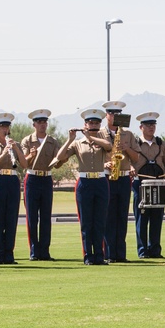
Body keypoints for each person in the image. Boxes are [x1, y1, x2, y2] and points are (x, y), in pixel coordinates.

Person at [52, 109, 112, 265]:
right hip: (84, 183)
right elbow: (59, 157)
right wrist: (69, 139)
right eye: (90, 123)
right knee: (86, 222)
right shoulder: (78, 144)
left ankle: (99, 255)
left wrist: (91, 136)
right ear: (85, 124)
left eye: (96, 123)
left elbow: (109, 146)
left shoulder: (102, 138)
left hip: (100, 181)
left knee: (99, 221)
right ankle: (88, 256)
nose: (93, 125)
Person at [131, 111, 165, 259]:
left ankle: (155, 249)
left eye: (153, 124)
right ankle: (143, 250)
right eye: (148, 125)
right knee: (142, 219)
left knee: (157, 219)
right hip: (141, 184)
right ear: (141, 127)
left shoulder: (161, 143)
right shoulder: (135, 143)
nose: (151, 127)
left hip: (159, 184)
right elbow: (129, 162)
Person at [99, 101, 139, 263]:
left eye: (118, 113)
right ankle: (108, 254)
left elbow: (136, 158)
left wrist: (127, 148)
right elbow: (91, 158)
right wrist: (104, 165)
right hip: (107, 177)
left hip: (123, 178)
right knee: (108, 217)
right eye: (112, 113)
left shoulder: (128, 134)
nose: (115, 116)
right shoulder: (100, 134)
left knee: (122, 217)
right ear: (106, 115)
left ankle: (120, 254)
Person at [0, 112, 27, 264]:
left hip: (12, 180)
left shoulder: (14, 144)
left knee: (11, 219)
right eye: (2, 126)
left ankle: (9, 254)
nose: (5, 129)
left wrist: (15, 149)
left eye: (7, 126)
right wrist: (3, 154)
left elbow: (24, 164)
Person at [20, 109, 60, 261]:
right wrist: (31, 155)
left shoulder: (52, 141)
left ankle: (45, 251)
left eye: (44, 122)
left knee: (45, 216)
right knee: (32, 217)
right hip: (32, 178)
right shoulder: (27, 141)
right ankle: (34, 251)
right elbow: (24, 162)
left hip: (46, 178)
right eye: (39, 122)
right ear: (34, 124)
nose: (42, 125)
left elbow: (57, 162)